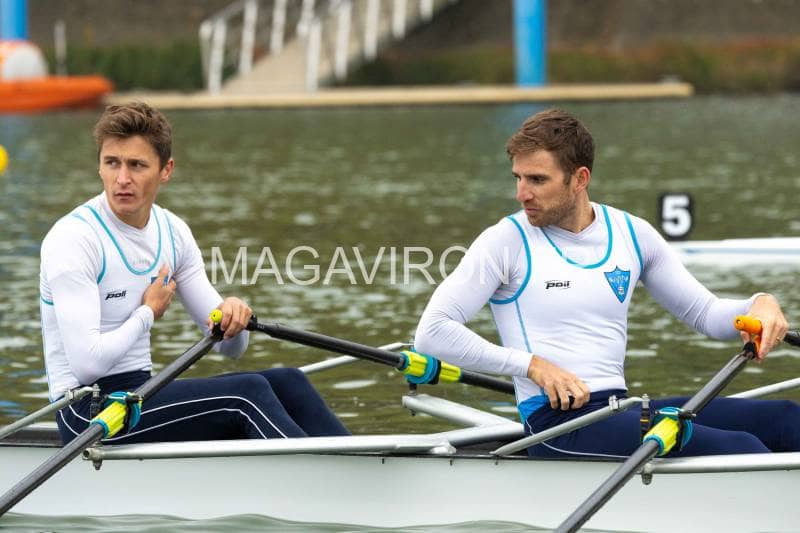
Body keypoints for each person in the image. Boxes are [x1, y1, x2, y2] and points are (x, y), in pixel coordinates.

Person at [414, 108, 800, 458]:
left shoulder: (631, 233)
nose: (521, 194)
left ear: (580, 179)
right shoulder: (505, 241)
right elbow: (433, 332)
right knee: (741, 448)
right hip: (556, 424)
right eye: (518, 178)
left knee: (786, 420)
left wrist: (759, 304)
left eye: (537, 179)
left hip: (618, 409)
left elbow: (706, 313)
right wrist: (532, 366)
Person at [40, 102, 349, 445]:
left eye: (137, 165)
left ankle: (364, 465)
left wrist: (232, 317)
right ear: (99, 166)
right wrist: (148, 312)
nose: (122, 178)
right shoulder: (74, 239)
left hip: (138, 394)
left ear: (166, 170)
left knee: (289, 382)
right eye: (112, 163)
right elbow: (87, 366)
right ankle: (318, 473)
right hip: (87, 413)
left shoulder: (172, 232)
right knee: (246, 394)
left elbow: (230, 350)